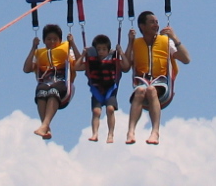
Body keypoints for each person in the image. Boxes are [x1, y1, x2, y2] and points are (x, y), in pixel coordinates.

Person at [125, 10, 189, 146]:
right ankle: (131, 131)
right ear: (142, 26)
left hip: (160, 82)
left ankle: (155, 132)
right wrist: (130, 43)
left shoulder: (166, 42)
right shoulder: (136, 44)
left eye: (157, 22)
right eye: (152, 22)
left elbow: (186, 59)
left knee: (151, 90)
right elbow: (125, 67)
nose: (156, 25)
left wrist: (175, 38)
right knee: (141, 91)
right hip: (141, 81)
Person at [23, 23, 75, 140]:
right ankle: (45, 127)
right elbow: (26, 69)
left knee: (53, 91)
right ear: (44, 41)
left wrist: (73, 44)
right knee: (41, 91)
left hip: (62, 82)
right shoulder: (39, 53)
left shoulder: (66, 48)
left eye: (55, 39)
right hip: (45, 82)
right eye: (49, 39)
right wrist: (33, 47)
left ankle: (45, 125)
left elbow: (78, 65)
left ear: (60, 40)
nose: (52, 42)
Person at [79, 29, 124, 143]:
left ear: (108, 50)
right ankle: (95, 133)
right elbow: (75, 67)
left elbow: (127, 65)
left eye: (104, 49)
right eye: (98, 49)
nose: (101, 52)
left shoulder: (113, 60)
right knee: (96, 112)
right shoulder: (91, 62)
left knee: (110, 109)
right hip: (97, 90)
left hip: (110, 89)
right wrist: (83, 54)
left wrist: (121, 52)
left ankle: (110, 134)